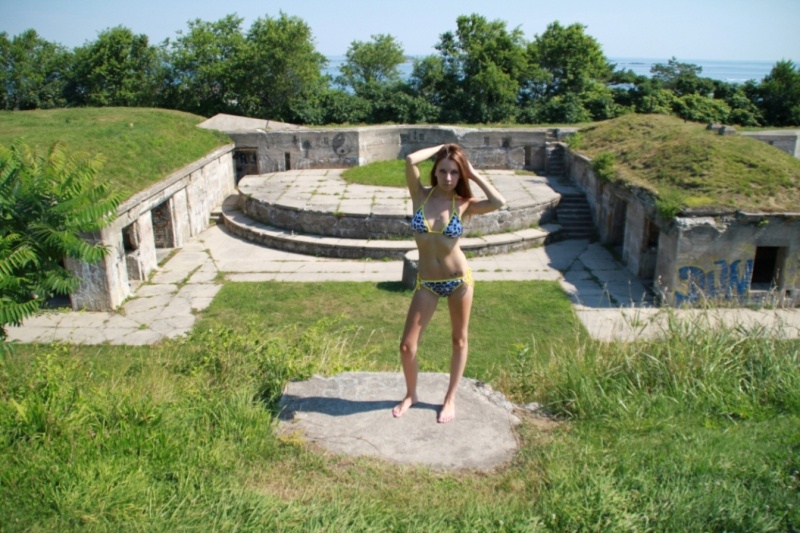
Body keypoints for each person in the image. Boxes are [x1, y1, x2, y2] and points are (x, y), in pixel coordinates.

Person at [392, 144, 506, 423]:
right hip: (428, 283)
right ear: (435, 171)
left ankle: (450, 399)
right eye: (443, 171)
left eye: (455, 172)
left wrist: (474, 174)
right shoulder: (420, 195)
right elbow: (409, 159)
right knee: (407, 346)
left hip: (459, 281)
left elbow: (498, 202)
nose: (448, 177)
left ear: (460, 175)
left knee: (459, 339)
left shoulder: (463, 203)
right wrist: (443, 148)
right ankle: (411, 394)